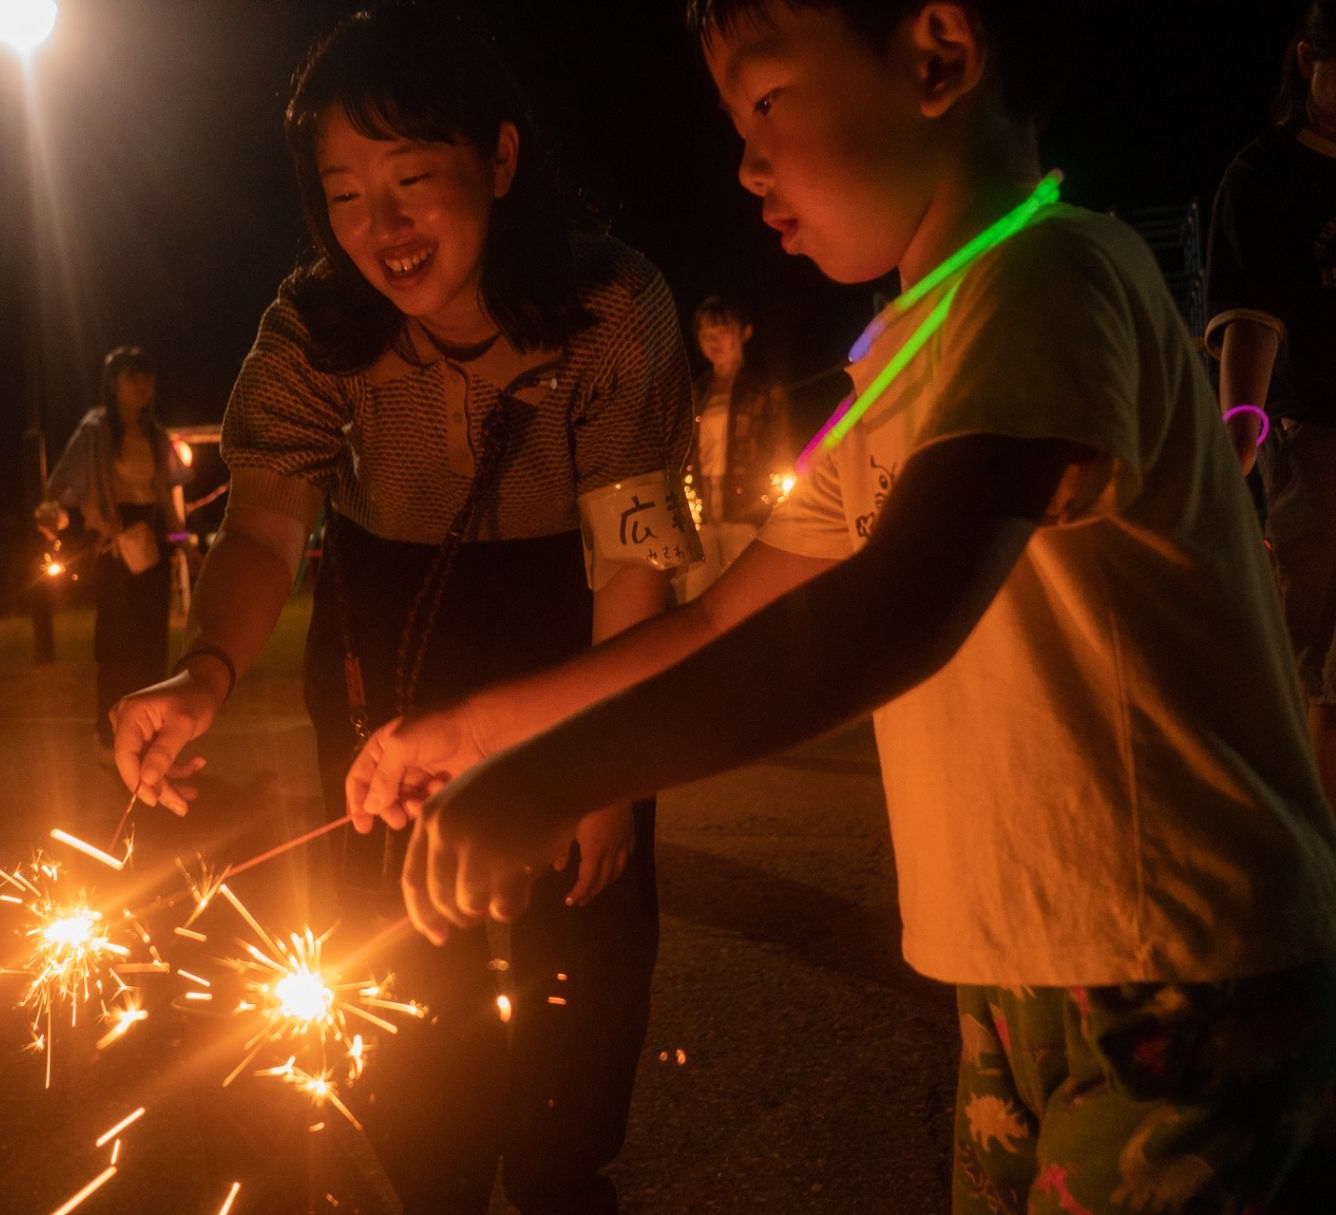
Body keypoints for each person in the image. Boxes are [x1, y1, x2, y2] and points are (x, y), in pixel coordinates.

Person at [349, 2, 1336, 1211]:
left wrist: (558, 780)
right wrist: (480, 730)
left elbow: (893, 614)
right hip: (1031, 969)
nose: (745, 161)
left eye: (766, 102)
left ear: (937, 57)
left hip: (1186, 977)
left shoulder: (1051, 276)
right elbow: (723, 619)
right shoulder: (901, 358)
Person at [110, 7, 696, 1210]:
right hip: (388, 648)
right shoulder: (314, 331)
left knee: (573, 973)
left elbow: (633, 560)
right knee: (399, 986)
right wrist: (204, 669)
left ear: (502, 157)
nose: (381, 230)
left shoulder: (614, 314)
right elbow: (267, 524)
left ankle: (558, 1173)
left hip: (571, 630)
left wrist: (604, 773)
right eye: (343, 194)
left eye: (414, 180)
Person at [1205, 0, 1336, 810]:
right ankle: (1292, 844)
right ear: (1305, 59)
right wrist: (1235, 460)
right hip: (1314, 448)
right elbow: (1251, 331)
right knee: (1308, 664)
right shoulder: (1264, 178)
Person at [38, 345, 189, 755]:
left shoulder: (157, 436)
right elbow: (62, 485)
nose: (142, 387)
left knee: (151, 640)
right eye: (132, 378)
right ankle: (110, 727)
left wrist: (183, 544)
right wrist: (55, 512)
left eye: (147, 379)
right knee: (115, 641)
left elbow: (169, 497)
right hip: (112, 540)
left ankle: (149, 730)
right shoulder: (96, 430)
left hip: (152, 540)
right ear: (113, 385)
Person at [687, 294, 790, 589]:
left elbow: (779, 447)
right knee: (696, 594)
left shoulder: (762, 389)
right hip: (701, 511)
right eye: (706, 334)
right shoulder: (698, 391)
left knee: (744, 592)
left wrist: (770, 502)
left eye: (722, 331)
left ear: (744, 333)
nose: (713, 341)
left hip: (746, 509)